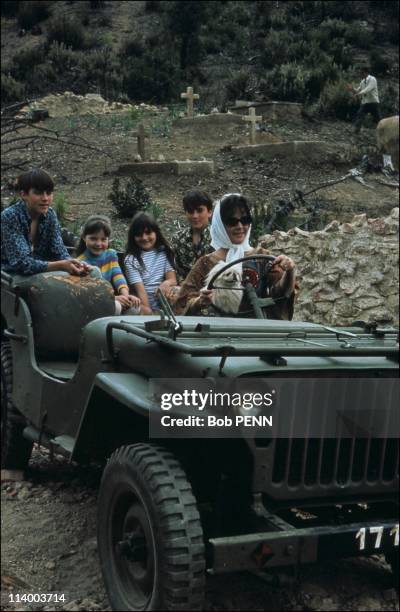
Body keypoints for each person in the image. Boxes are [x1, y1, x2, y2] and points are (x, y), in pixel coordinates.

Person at [174, 193, 297, 318]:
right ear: (220, 224)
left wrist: (289, 271)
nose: (240, 226)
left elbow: (281, 293)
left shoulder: (262, 258)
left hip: (258, 331)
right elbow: (182, 303)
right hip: (216, 332)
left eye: (245, 220)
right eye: (232, 222)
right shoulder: (205, 263)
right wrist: (199, 301)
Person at [1, 169, 91, 277]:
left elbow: (59, 252)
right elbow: (22, 264)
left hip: (44, 271)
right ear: (23, 194)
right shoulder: (10, 216)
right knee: (60, 282)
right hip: (14, 276)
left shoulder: (50, 215)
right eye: (38, 193)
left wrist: (75, 264)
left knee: (93, 272)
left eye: (49, 193)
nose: (45, 198)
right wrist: (61, 265)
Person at [76, 215, 141, 315]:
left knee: (135, 306)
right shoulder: (80, 263)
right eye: (93, 239)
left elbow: (118, 276)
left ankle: (121, 328)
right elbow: (89, 293)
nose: (98, 244)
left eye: (103, 239)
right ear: (84, 238)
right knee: (116, 306)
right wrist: (113, 298)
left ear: (108, 240)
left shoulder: (111, 255)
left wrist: (126, 297)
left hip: (110, 299)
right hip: (92, 303)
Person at [124, 212, 177, 314]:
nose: (144, 238)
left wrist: (165, 284)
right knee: (139, 309)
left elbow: (172, 279)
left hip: (163, 298)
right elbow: (140, 290)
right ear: (133, 237)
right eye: (139, 235)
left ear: (156, 233)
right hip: (143, 303)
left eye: (148, 233)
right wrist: (150, 312)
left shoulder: (164, 252)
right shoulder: (131, 259)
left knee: (176, 291)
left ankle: (178, 319)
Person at [171, 190, 214, 281]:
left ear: (209, 212)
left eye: (199, 210)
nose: (195, 216)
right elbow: (174, 269)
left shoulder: (218, 238)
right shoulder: (178, 239)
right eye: (190, 211)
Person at [350, 67, 380, 134]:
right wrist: (352, 89)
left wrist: (358, 94)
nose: (360, 74)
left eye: (362, 73)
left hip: (373, 102)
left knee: (377, 118)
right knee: (359, 115)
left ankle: (383, 131)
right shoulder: (362, 81)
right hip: (365, 103)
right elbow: (358, 90)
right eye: (360, 73)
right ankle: (356, 130)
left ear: (366, 72)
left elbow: (368, 89)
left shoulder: (373, 79)